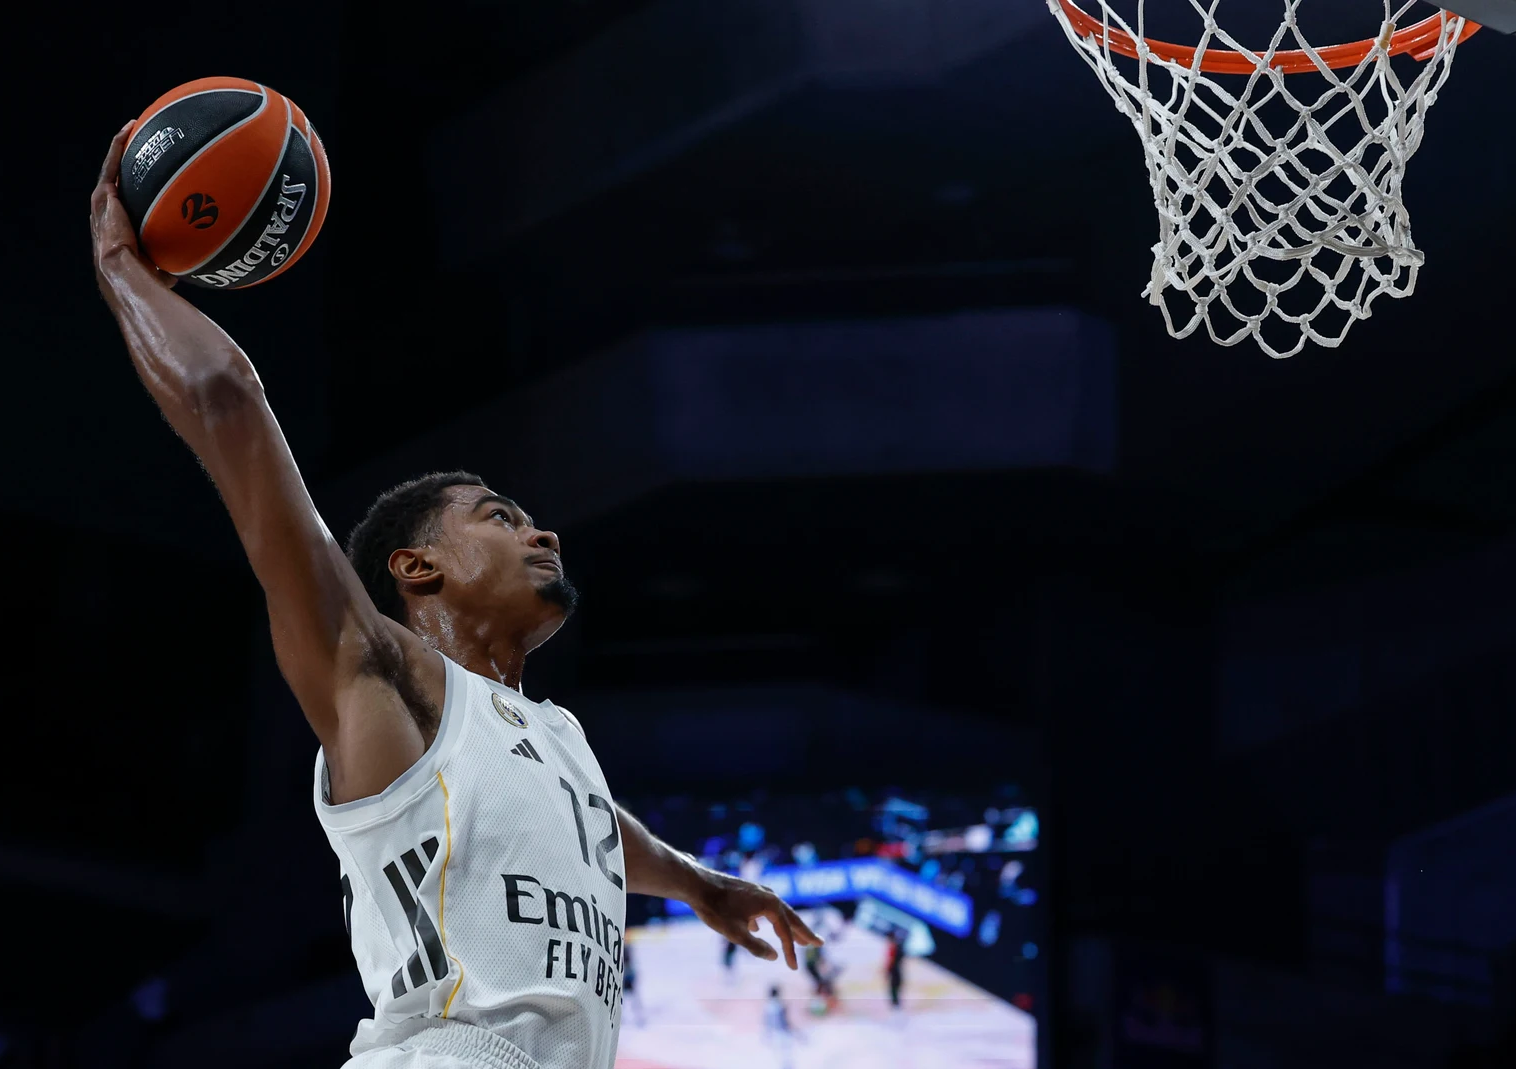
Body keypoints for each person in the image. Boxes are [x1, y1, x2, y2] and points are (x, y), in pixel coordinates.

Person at [89, 122, 821, 1069]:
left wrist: (696, 885)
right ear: (417, 567)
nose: (541, 532)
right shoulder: (380, 672)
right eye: (499, 516)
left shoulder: (557, 736)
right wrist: (120, 264)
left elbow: (587, 826)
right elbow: (230, 401)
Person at [885, 930, 906, 1012]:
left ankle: (896, 1007)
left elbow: (891, 960)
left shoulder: (894, 947)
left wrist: (887, 971)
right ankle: (896, 1007)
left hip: (895, 971)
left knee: (894, 989)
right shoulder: (898, 947)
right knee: (895, 989)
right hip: (897, 971)